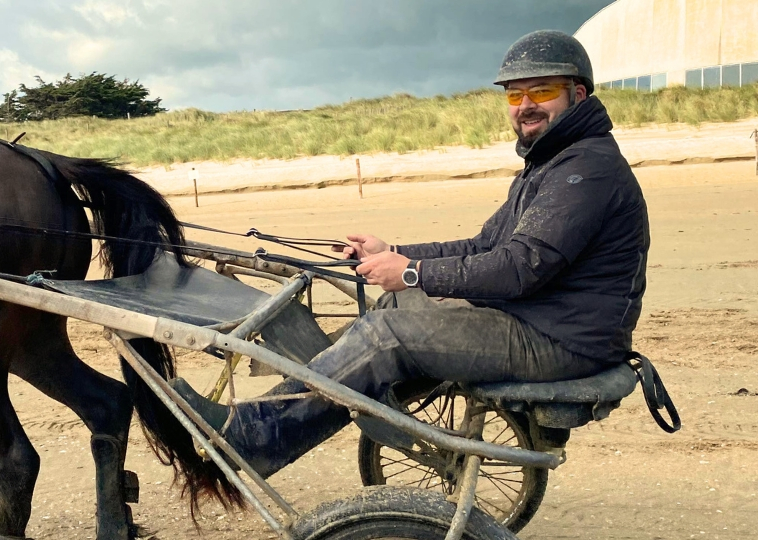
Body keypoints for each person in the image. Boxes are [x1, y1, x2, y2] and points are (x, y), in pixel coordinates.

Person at [172, 30, 650, 479]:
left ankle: (259, 437)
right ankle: (282, 411)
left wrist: (414, 273)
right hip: (542, 320)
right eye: (514, 95)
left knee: (385, 336)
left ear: (577, 95)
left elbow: (519, 268)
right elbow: (483, 247)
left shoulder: (584, 170)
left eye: (541, 91)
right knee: (395, 306)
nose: (525, 106)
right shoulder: (553, 160)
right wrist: (394, 253)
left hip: (562, 341)